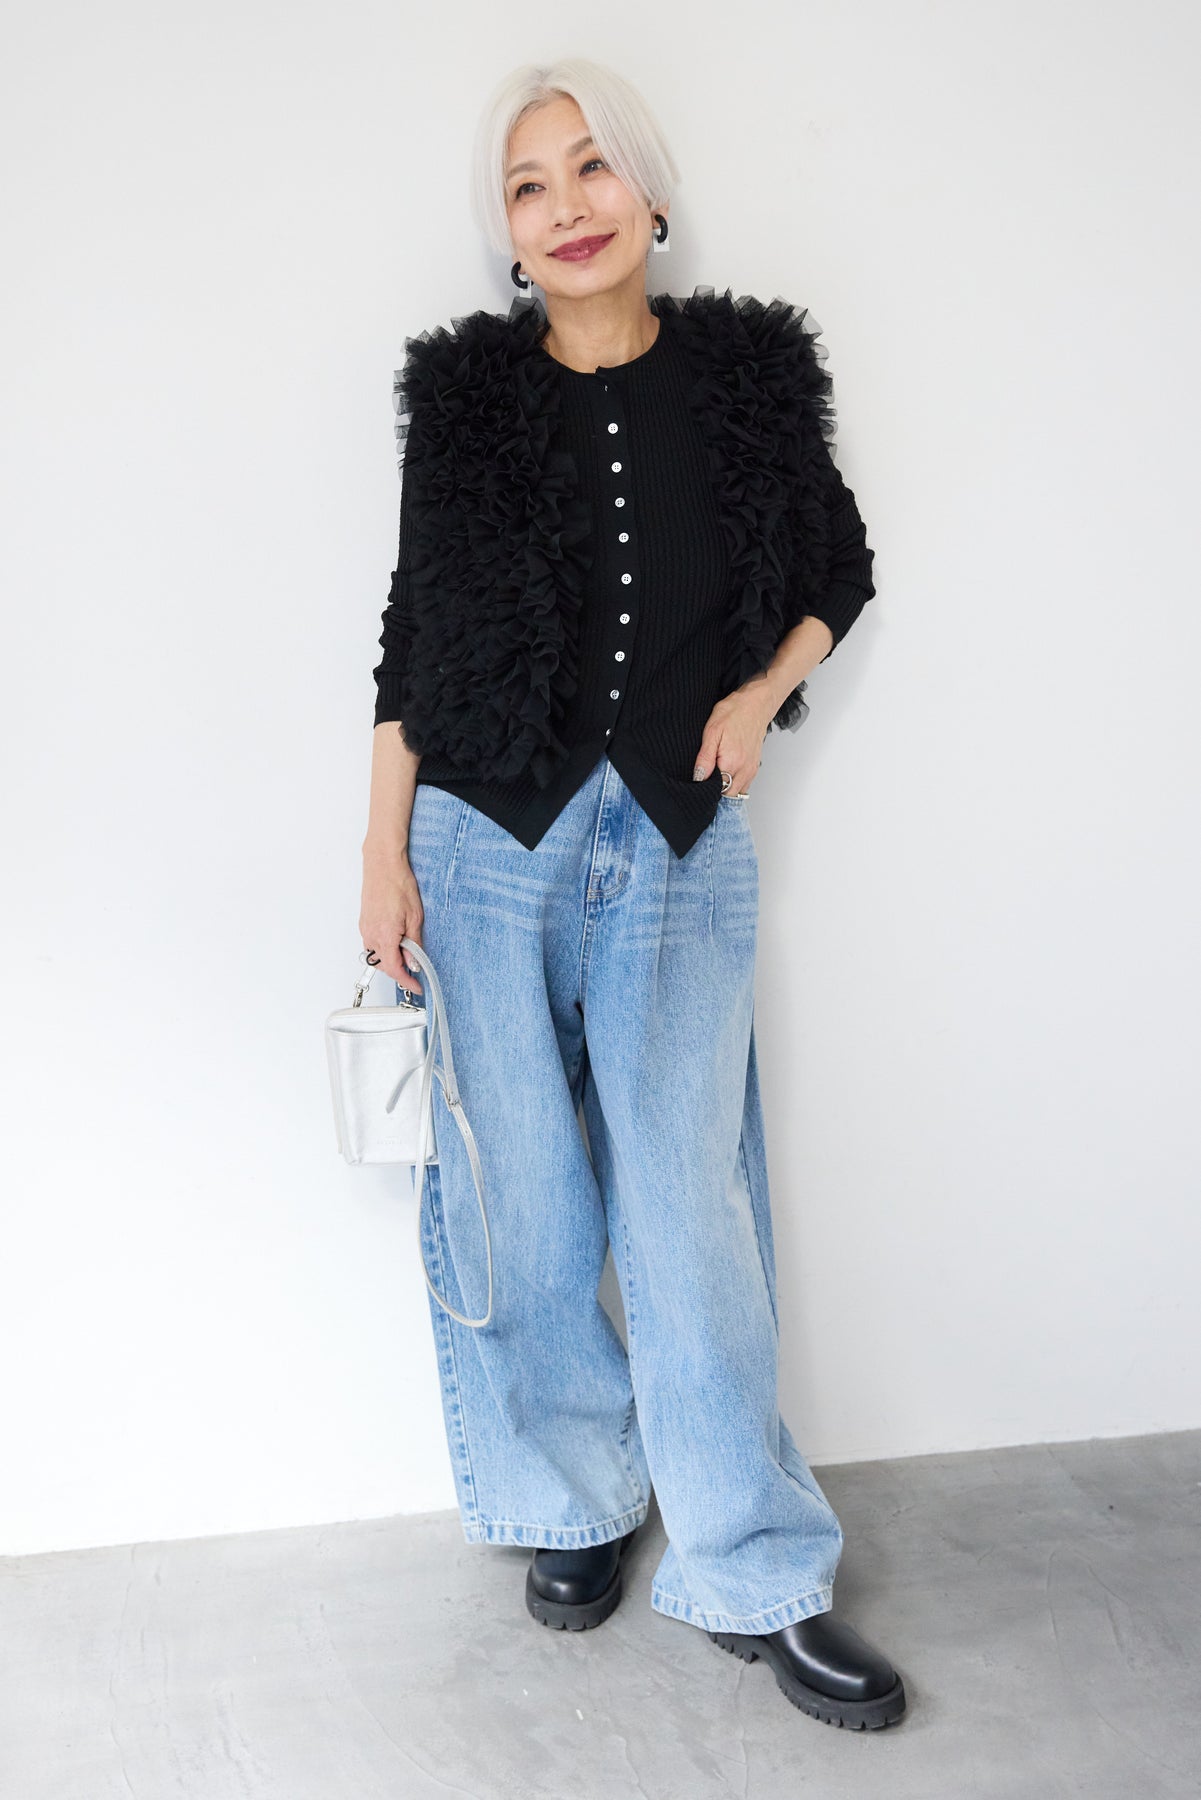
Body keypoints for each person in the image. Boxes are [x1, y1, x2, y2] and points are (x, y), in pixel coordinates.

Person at [359, 57, 906, 1731]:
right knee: (524, 1205)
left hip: (674, 836)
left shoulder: (746, 380)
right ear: (508, 233)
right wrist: (379, 853)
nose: (567, 205)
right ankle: (574, 1499)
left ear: (651, 196)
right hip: (483, 839)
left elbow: (839, 568)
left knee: (688, 1217)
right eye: (529, 185)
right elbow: (412, 631)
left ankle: (755, 1565)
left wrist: (757, 696)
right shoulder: (466, 401)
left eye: (592, 168)